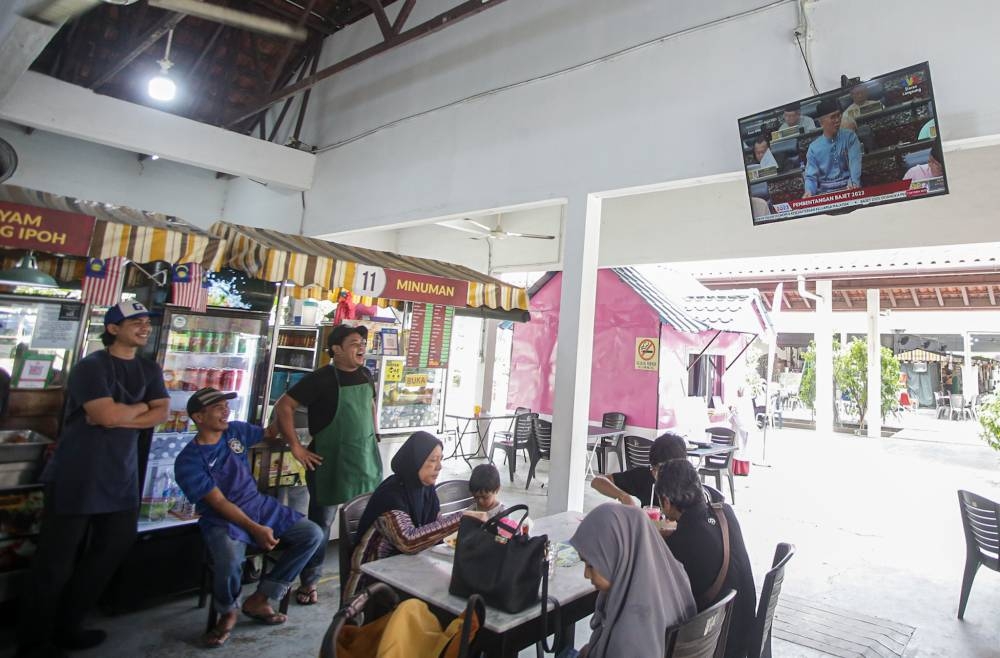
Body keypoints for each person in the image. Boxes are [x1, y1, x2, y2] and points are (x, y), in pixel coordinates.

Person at [16, 301, 169, 658]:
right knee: (55, 563)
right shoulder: (91, 366)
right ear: (113, 328)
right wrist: (136, 410)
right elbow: (104, 413)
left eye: (147, 322)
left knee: (110, 551)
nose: (144, 327)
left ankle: (69, 626)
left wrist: (122, 415)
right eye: (136, 322)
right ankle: (32, 643)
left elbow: (160, 413)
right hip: (77, 475)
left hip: (122, 477)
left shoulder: (149, 368)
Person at [174, 387, 325, 648]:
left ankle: (262, 597)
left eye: (226, 405)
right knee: (230, 557)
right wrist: (255, 529)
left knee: (312, 535)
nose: (225, 410)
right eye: (217, 407)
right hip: (222, 518)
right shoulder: (188, 461)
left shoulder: (235, 431)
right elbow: (219, 503)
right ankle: (228, 611)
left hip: (259, 505)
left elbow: (269, 433)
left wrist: (285, 407)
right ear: (199, 417)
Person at [273, 323, 382, 605]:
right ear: (336, 349)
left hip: (364, 458)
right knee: (321, 524)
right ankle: (309, 582)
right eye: (355, 343)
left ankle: (363, 576)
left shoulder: (366, 374)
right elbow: (283, 407)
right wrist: (295, 447)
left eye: (362, 343)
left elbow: (370, 403)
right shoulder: (320, 379)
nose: (361, 348)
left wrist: (375, 430)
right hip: (329, 461)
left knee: (368, 521)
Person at [344, 431, 482, 600]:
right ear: (415, 461)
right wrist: (462, 518)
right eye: (432, 460)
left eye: (440, 459)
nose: (439, 466)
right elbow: (408, 541)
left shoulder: (426, 488)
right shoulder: (391, 494)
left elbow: (435, 529)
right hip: (372, 584)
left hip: (407, 570)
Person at [565, 503, 696, 658]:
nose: (586, 574)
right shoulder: (674, 576)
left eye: (591, 565)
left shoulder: (631, 628)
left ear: (616, 556)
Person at [656, 460, 756, 658]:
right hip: (745, 631)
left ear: (666, 501)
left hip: (717, 645)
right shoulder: (725, 511)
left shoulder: (681, 543)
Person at [590, 432, 687, 507]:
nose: (658, 475)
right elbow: (597, 481)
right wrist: (623, 496)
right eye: (655, 469)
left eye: (664, 471)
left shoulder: (689, 485)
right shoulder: (643, 476)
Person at [802, 97, 862, 197]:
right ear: (821, 122)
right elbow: (811, 177)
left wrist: (853, 184)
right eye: (833, 117)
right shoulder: (813, 148)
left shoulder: (850, 137)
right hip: (825, 194)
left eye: (839, 115)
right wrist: (809, 191)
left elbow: (855, 164)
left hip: (849, 188)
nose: (837, 120)